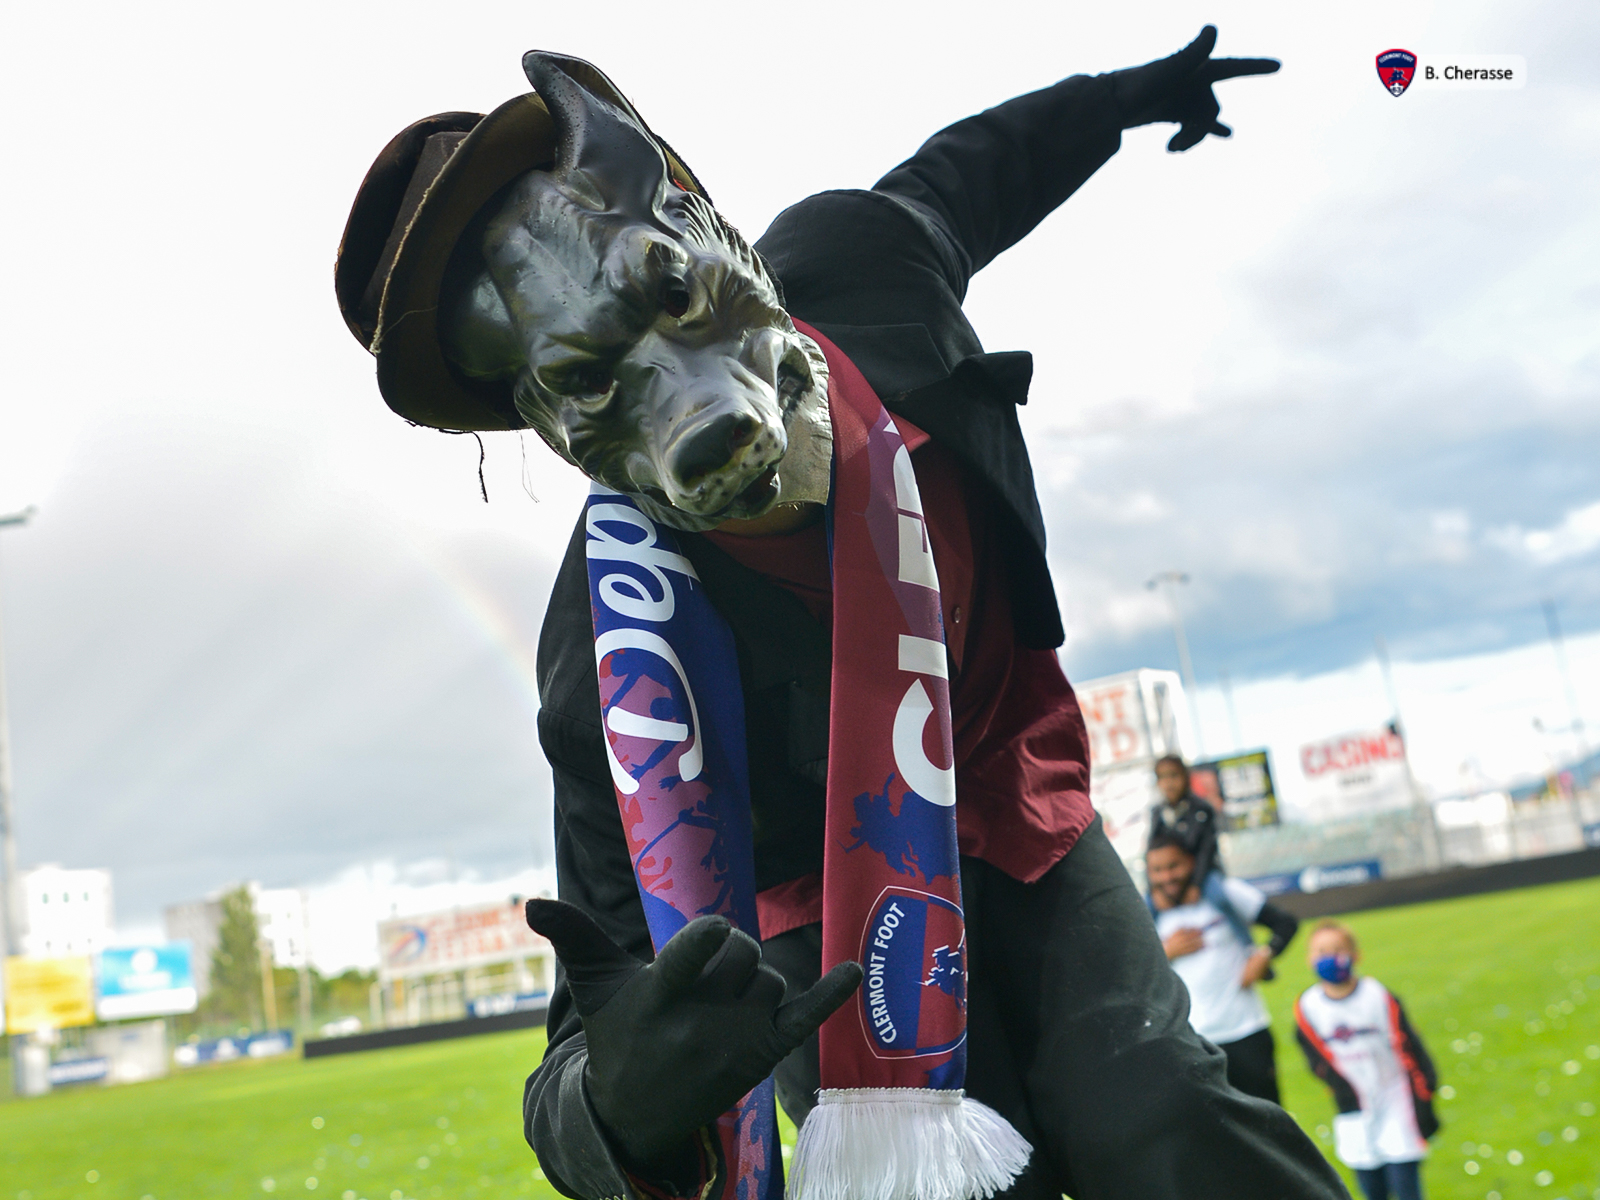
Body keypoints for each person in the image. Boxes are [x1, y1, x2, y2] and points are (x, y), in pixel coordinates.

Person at [336, 28, 1351, 1200]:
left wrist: (1119, 100)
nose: (690, 404)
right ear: (549, 428)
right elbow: (587, 1025)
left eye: (667, 295)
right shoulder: (612, 662)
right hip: (816, 942)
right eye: (587, 380)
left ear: (697, 219)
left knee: (1158, 1116)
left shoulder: (861, 266)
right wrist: (618, 1108)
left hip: (1014, 804)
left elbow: (974, 171)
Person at [1146, 832, 1300, 1103]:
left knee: (1270, 1125)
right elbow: (1133, 976)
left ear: (1192, 862)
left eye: (1174, 866)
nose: (1166, 877)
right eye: (1157, 870)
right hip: (1192, 1042)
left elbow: (1286, 923)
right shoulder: (1147, 914)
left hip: (1246, 1030)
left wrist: (1263, 955)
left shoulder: (1225, 893)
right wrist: (1165, 952)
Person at [1295, 922, 1439, 1200]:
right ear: (1309, 958)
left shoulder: (1377, 996)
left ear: (1355, 954)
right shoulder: (1308, 1006)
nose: (1330, 956)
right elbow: (1315, 1058)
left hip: (1396, 1100)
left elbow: (1411, 1048)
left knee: (1405, 1182)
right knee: (1371, 1188)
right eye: (1321, 951)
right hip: (1353, 1111)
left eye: (1338, 949)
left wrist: (1424, 1095)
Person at [1148, 753, 1256, 947]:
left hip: (1204, 874)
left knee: (1220, 898)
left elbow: (1207, 851)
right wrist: (1154, 889)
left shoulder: (1202, 808)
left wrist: (1196, 885)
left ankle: (1249, 948)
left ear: (1185, 777)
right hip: (1170, 877)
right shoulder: (1157, 813)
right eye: (1163, 778)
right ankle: (1148, 959)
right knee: (1145, 908)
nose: (1169, 783)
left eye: (1174, 776)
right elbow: (1151, 853)